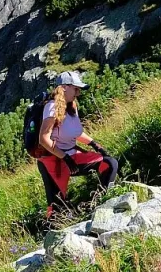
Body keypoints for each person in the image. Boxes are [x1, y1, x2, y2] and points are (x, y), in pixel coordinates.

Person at [34, 70, 120, 219]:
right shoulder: (51, 107)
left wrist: (95, 145)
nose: (78, 93)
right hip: (52, 161)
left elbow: (75, 133)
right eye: (76, 89)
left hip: (72, 156)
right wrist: (65, 157)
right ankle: (50, 228)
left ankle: (103, 204)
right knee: (56, 209)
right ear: (64, 88)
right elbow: (43, 139)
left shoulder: (71, 107)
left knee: (109, 163)